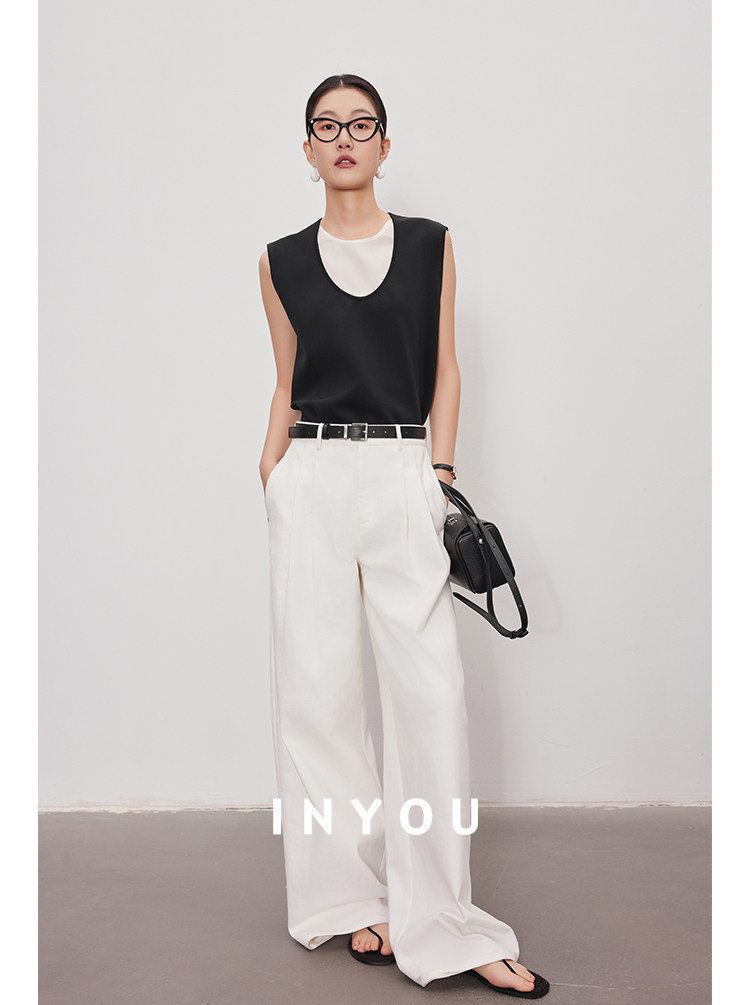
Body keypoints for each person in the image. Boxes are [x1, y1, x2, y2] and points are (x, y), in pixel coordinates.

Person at [258, 73, 549, 999]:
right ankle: (348, 898)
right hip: (310, 474)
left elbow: (446, 368)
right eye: (327, 125)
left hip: (401, 471)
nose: (344, 138)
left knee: (430, 698)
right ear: (308, 149)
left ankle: (447, 921)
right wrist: (272, 473)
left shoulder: (429, 245)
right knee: (316, 698)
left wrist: (441, 474)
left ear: (386, 145)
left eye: (362, 124)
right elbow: (285, 380)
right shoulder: (277, 260)